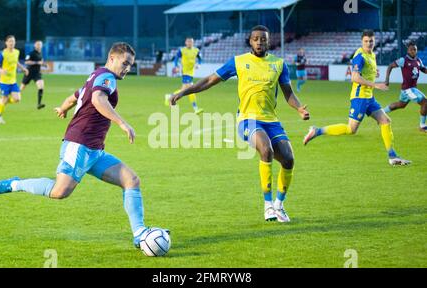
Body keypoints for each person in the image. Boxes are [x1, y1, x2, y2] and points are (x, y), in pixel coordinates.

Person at [0, 42, 166, 248]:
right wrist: (122, 122)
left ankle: (140, 233)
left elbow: (76, 95)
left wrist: (63, 108)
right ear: (112, 58)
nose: (127, 68)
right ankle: (15, 184)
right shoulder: (106, 78)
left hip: (95, 151)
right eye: (125, 63)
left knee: (131, 180)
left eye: (130, 65)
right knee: (59, 192)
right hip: (79, 144)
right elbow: (98, 99)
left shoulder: (96, 76)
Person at [170, 26, 310, 222]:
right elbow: (210, 80)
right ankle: (267, 205)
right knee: (266, 149)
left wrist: (299, 108)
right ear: (250, 41)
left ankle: (279, 205)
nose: (259, 42)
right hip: (247, 119)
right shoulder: (238, 61)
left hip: (271, 120)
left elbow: (288, 93)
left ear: (268, 42)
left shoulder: (279, 64)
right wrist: (184, 92)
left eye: (263, 39)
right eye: (256, 39)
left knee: (288, 159)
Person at [303, 30, 411, 166]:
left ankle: (393, 156)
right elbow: (354, 77)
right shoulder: (360, 56)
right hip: (360, 97)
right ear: (362, 42)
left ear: (374, 41)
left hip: (369, 98)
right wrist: (375, 85)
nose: (369, 43)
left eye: (371, 41)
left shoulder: (372, 55)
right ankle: (317, 131)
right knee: (351, 129)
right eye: (366, 41)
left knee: (385, 121)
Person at [383, 41, 427, 132]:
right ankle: (422, 126)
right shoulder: (403, 60)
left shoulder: (418, 61)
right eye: (411, 50)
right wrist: (387, 79)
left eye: (414, 49)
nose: (413, 51)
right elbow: (390, 66)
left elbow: (423, 69)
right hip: (408, 89)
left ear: (416, 50)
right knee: (425, 103)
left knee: (401, 105)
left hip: (412, 89)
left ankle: (381, 112)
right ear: (408, 50)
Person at [0, 35, 29, 124]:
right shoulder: (3, 53)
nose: (11, 43)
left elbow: (16, 62)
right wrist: (1, 70)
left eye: (13, 41)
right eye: (9, 41)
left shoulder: (17, 52)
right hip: (4, 81)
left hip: (13, 81)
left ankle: (0, 102)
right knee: (5, 99)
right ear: (6, 43)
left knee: (17, 99)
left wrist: (23, 68)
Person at [165, 37, 203, 114]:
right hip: (185, 72)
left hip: (191, 73)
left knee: (184, 90)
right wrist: (176, 66)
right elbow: (176, 58)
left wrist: (199, 64)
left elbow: (200, 59)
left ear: (193, 42)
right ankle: (195, 108)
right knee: (191, 89)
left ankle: (170, 96)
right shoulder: (182, 50)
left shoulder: (196, 50)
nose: (189, 43)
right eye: (188, 42)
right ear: (185, 42)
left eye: (191, 42)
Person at [20, 40, 46, 109]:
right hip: (29, 72)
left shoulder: (40, 53)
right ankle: (12, 96)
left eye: (40, 44)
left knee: (41, 87)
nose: (39, 46)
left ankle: (39, 104)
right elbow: (26, 62)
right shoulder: (31, 53)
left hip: (37, 73)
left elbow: (40, 62)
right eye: (37, 44)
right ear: (34, 45)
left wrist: (43, 64)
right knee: (22, 88)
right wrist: (37, 62)